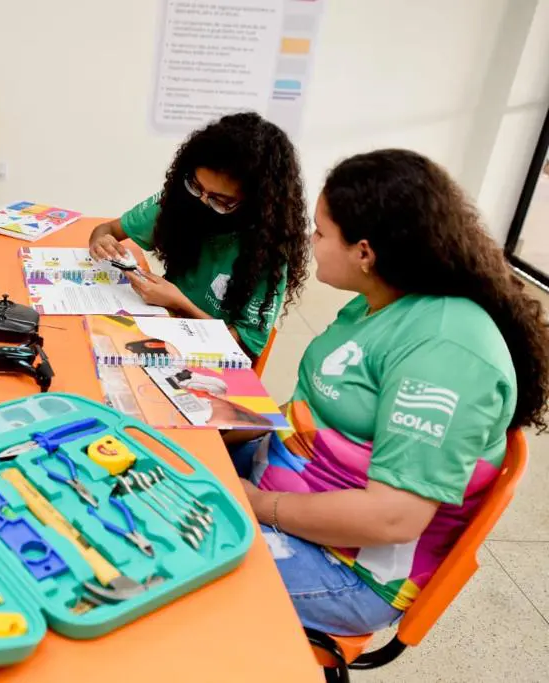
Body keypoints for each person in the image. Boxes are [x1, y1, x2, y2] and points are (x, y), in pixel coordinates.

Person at [230, 149, 549, 636]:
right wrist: (224, 421)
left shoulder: (446, 350)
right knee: (146, 461)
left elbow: (391, 519)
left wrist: (255, 505)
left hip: (348, 568)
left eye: (319, 231)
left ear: (364, 252)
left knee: (169, 560)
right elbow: (319, 409)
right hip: (286, 488)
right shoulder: (377, 304)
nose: (309, 241)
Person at [89, 112, 310, 359]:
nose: (203, 202)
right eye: (196, 186)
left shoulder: (268, 250)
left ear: (257, 203)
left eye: (220, 200)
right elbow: (107, 229)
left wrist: (179, 302)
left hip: (211, 358)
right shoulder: (182, 200)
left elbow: (243, 347)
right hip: (160, 332)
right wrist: (101, 241)